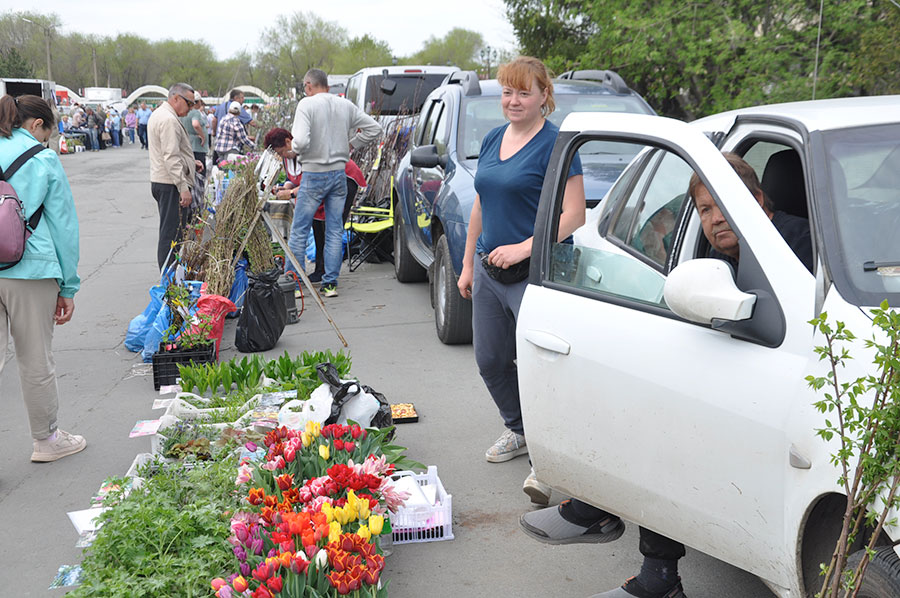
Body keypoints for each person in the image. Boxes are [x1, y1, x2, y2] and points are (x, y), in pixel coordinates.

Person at [519, 153, 813, 598]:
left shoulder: (798, 244)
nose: (714, 221)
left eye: (723, 207)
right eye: (704, 210)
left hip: (781, 391)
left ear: (756, 200)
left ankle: (630, 546)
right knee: (648, 414)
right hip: (726, 384)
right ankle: (624, 537)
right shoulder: (716, 251)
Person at [456, 56, 585, 472]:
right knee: (491, 360)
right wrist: (467, 264)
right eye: (507, 91)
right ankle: (520, 429)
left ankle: (552, 450)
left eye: (524, 92)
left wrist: (523, 248)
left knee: (541, 367)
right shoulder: (494, 139)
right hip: (489, 270)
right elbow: (481, 203)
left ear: (544, 95)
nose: (513, 100)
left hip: (537, 274)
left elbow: (574, 215)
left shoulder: (557, 145)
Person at [0, 94, 85, 462]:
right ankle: (46, 441)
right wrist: (68, 286)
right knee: (34, 358)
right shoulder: (43, 159)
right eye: (46, 134)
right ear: (36, 126)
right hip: (29, 270)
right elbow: (64, 226)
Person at [288, 68, 382, 297]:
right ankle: (330, 284)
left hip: (313, 173)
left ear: (308, 85)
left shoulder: (306, 105)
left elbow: (299, 141)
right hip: (339, 173)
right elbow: (375, 129)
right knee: (334, 230)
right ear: (326, 85)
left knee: (299, 230)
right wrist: (351, 145)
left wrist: (299, 149)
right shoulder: (345, 105)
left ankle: (295, 284)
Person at [263, 126, 367, 283]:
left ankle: (329, 277)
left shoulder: (308, 151)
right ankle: (320, 270)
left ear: (288, 141)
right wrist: (287, 187)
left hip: (343, 179)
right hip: (319, 187)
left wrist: (291, 194)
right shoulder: (287, 157)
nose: (281, 155)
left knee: (332, 229)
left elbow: (313, 182)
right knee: (317, 225)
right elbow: (296, 179)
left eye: (281, 151)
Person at [147, 83, 203, 270]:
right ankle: (168, 277)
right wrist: (183, 187)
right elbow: (170, 156)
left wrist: (190, 163)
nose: (191, 107)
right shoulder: (169, 119)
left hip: (164, 180)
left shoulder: (161, 114)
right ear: (176, 98)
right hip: (170, 183)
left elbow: (168, 151)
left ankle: (170, 273)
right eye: (189, 103)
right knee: (171, 235)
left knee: (173, 233)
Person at [180, 92, 209, 210]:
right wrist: (202, 135)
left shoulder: (182, 114)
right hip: (197, 146)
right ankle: (196, 203)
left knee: (189, 173)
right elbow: (195, 124)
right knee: (198, 176)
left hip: (188, 145)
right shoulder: (195, 112)